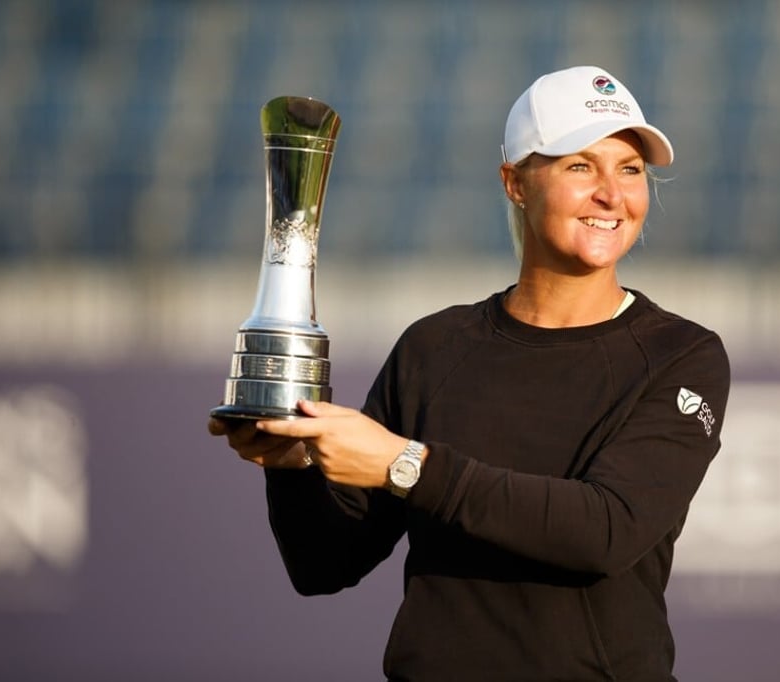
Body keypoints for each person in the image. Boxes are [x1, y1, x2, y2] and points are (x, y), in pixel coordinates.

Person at [209, 65, 730, 682]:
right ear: (515, 182)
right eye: (580, 166)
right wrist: (290, 465)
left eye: (630, 170)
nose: (612, 195)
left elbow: (605, 529)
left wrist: (407, 465)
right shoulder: (434, 347)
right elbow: (324, 565)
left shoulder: (681, 355)